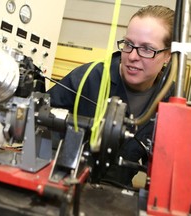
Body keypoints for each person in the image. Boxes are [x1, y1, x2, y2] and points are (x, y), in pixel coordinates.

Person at [47, 5, 175, 187]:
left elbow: (163, 171)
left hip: (116, 195)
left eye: (147, 49)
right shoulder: (89, 77)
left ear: (168, 55)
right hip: (66, 184)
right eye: (128, 44)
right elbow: (41, 117)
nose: (132, 56)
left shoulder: (170, 100)